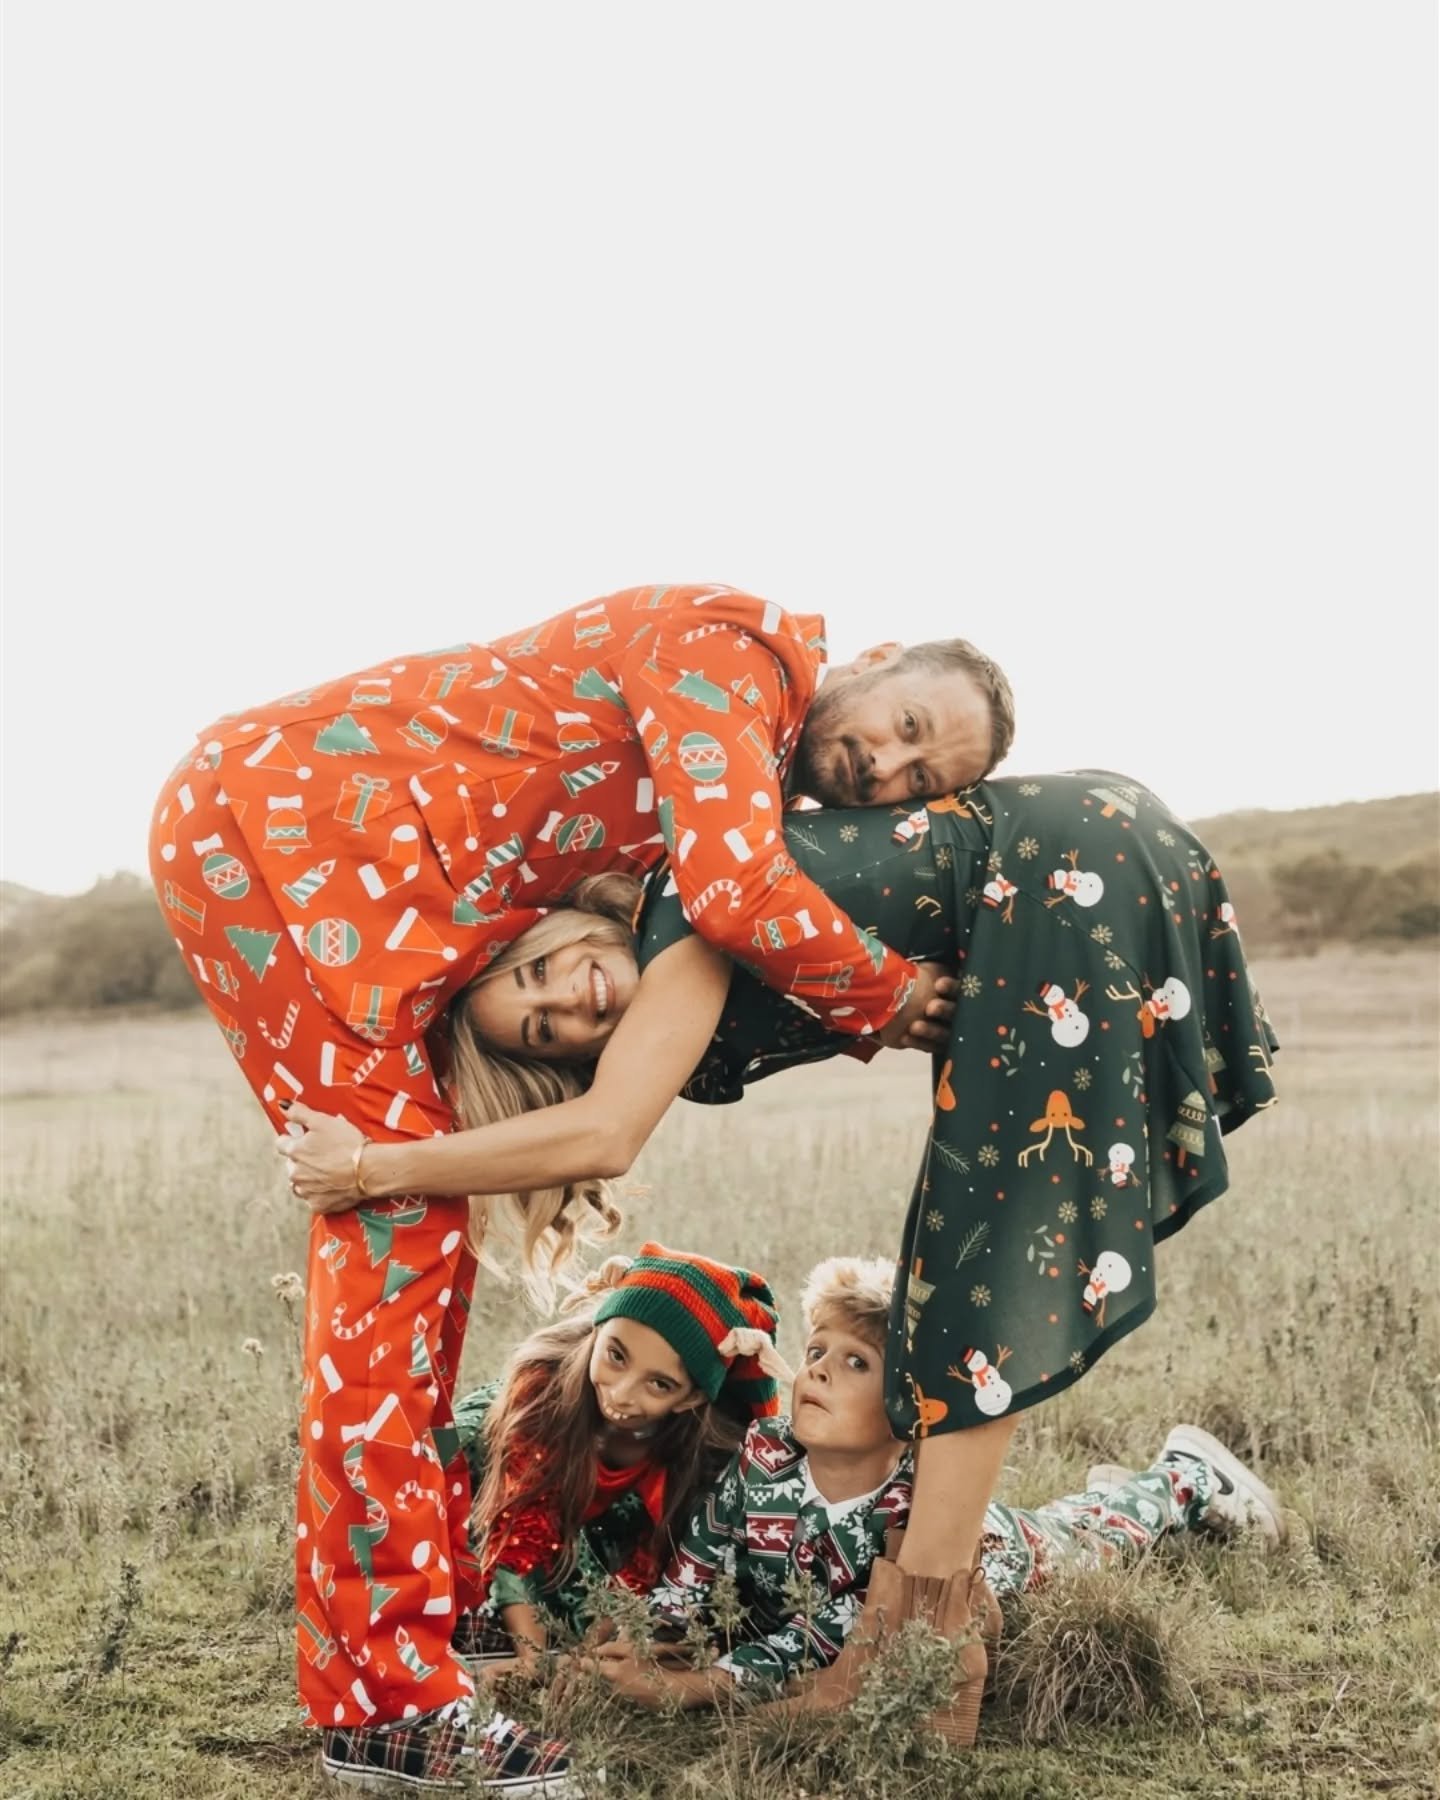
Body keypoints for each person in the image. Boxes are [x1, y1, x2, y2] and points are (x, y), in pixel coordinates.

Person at [148, 583, 1012, 1789]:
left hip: (371, 877)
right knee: (391, 1251)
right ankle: (383, 1698)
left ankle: (396, 1652)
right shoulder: (734, 655)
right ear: (868, 660)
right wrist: (887, 1000)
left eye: (922, 783)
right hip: (294, 841)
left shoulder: (740, 772)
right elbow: (735, 892)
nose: (888, 770)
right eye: (908, 724)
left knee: (417, 1251)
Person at [281, 769, 1279, 1743]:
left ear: (560, 925)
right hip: (1049, 870)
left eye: (537, 971)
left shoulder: (678, 907)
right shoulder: (660, 1012)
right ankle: (919, 1634)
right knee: (975, 1256)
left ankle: (915, 1650)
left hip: (1057, 863)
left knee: (984, 1264)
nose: (566, 1005)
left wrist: (370, 1166)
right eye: (543, 1034)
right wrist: (646, 1639)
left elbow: (605, 1134)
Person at [575, 1254, 1285, 1736]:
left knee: (1090, 1540)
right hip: (807, 1598)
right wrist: (653, 1630)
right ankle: (1118, 1494)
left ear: (909, 1414)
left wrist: (697, 1686)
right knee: (1084, 1519)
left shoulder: (911, 1511)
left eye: (856, 1364)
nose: (816, 1371)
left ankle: (1182, 1477)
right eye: (817, 1351)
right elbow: (700, 1562)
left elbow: (830, 1636)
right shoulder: (764, 1456)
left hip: (999, 1554)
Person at [450, 1244, 790, 1667]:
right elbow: (519, 1531)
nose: (621, 1395)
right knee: (452, 1599)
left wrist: (587, 1658)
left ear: (692, 1398)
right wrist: (532, 1661)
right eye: (616, 1355)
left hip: (587, 1535)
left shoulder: (704, 1449)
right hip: (485, 1502)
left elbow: (650, 1565)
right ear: (598, 1329)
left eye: (659, 1384)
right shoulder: (540, 1391)